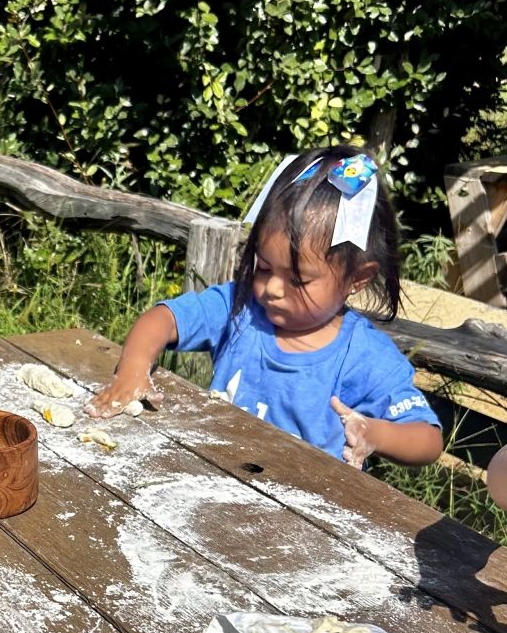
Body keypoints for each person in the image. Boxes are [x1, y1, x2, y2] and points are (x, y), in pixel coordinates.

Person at [86, 146, 443, 468]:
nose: (271, 288)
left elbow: (427, 440)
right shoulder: (240, 308)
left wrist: (375, 433)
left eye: (298, 280)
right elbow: (162, 319)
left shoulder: (364, 355)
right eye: (264, 267)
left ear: (357, 279)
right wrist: (133, 369)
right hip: (211, 479)